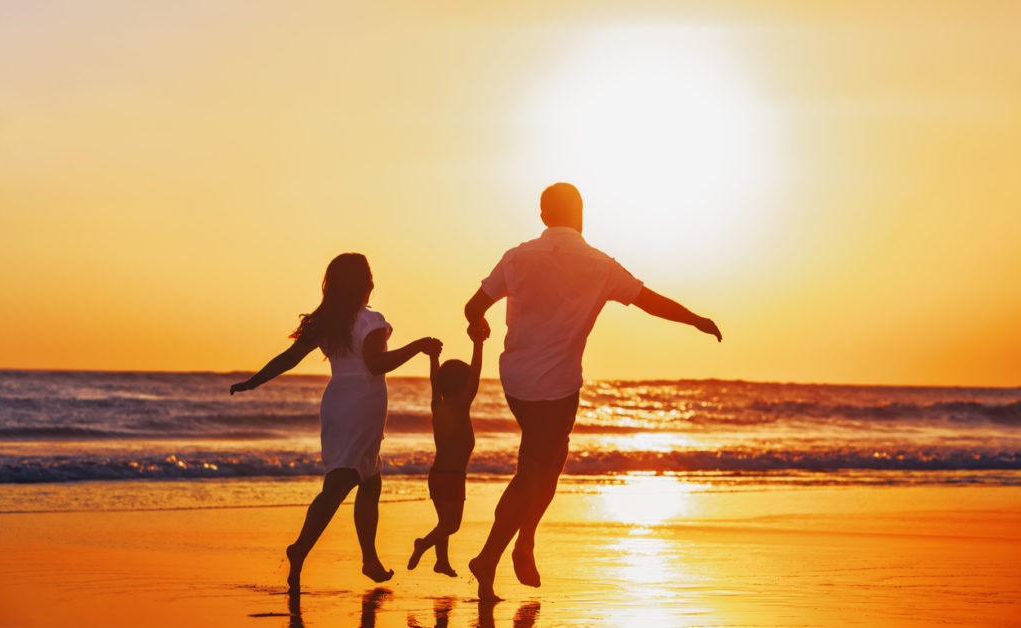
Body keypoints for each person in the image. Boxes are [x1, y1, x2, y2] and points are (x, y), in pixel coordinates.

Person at [464, 183, 722, 601]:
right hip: (557, 388)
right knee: (534, 471)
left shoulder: (516, 257)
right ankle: (492, 556)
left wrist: (478, 326)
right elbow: (649, 301)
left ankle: (522, 542)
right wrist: (695, 319)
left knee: (547, 463)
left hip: (515, 381)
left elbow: (473, 306)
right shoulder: (601, 266)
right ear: (581, 215)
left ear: (544, 216)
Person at [230, 253, 442, 592]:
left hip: (338, 403)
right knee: (341, 483)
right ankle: (301, 548)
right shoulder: (371, 321)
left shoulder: (329, 321)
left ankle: (369, 559)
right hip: (362, 406)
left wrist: (253, 381)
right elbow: (375, 365)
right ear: (366, 285)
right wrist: (418, 346)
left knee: (369, 479)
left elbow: (289, 358)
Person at [407, 322, 487, 577]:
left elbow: (434, 380)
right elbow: (475, 374)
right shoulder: (462, 405)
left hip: (436, 475)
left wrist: (433, 358)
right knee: (451, 525)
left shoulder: (436, 405)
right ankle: (423, 544)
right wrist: (478, 344)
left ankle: (442, 562)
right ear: (465, 387)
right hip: (452, 478)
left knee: (443, 523)